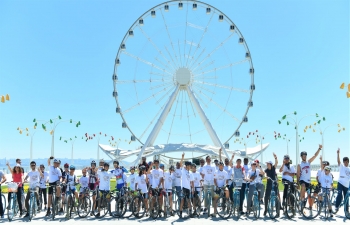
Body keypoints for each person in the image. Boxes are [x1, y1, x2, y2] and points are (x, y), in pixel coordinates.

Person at [335, 148, 350, 212]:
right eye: (345, 162)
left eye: (347, 162)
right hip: (340, 183)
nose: (346, 163)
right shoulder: (341, 167)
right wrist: (338, 153)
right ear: (343, 162)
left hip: (346, 185)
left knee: (346, 198)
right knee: (339, 194)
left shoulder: (349, 168)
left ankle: (346, 211)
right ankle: (336, 206)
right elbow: (338, 161)